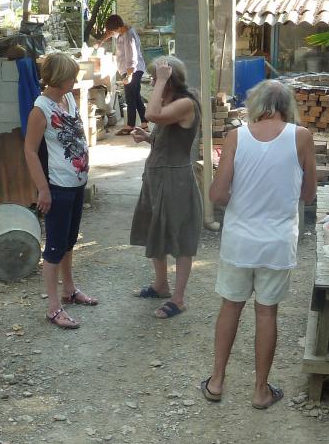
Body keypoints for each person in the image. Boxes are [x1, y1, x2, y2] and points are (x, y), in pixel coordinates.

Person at [204, 81, 316, 409]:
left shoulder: (236, 136)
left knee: (230, 306)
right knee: (267, 313)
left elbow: (217, 195)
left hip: (239, 240)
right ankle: (260, 390)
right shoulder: (301, 136)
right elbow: (308, 195)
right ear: (287, 105)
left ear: (257, 105)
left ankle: (217, 381)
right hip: (278, 242)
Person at [23, 52, 96, 329]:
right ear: (58, 78)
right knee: (54, 248)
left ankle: (70, 290)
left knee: (69, 242)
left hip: (76, 184)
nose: (74, 81)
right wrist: (43, 189)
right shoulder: (40, 110)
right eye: (71, 77)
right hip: (58, 187)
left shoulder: (67, 99)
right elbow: (30, 151)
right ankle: (54, 308)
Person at [129, 56, 202, 318]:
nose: (151, 81)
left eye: (155, 77)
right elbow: (165, 132)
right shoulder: (172, 101)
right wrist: (150, 138)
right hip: (157, 175)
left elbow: (151, 113)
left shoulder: (185, 103)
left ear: (169, 79)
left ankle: (179, 299)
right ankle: (161, 285)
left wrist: (160, 80)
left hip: (175, 180)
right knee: (154, 230)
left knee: (181, 237)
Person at [95, 14, 146, 135]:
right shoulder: (122, 31)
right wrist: (100, 42)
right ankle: (144, 124)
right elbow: (111, 34)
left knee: (130, 97)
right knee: (136, 96)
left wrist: (129, 75)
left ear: (117, 27)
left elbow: (131, 56)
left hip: (133, 69)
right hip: (130, 69)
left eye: (113, 30)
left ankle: (130, 126)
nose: (112, 32)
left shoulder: (128, 36)